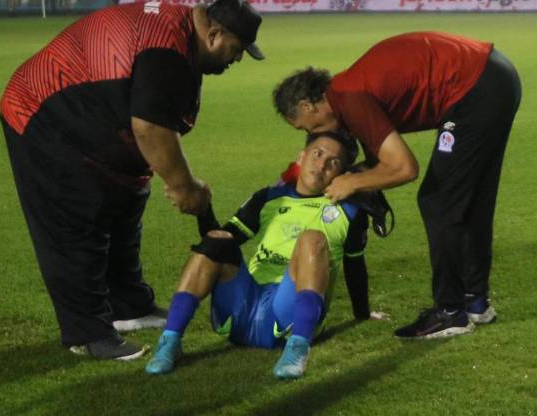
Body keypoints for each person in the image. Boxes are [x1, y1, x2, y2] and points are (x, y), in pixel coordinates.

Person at [0, 0, 265, 360]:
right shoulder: (166, 51)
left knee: (125, 201)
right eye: (236, 49)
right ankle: (88, 332)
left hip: (93, 119)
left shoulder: (179, 36)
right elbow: (151, 127)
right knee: (77, 216)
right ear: (215, 33)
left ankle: (128, 306)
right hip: (44, 115)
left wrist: (181, 181)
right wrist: (183, 187)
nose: (237, 59)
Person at [272, 32, 522, 340]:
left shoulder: (349, 96)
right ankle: (475, 301)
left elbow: (404, 167)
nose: (310, 134)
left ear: (307, 106)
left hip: (473, 88)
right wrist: (357, 178)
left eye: (303, 126)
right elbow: (379, 162)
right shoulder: (349, 89)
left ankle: (450, 312)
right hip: (495, 77)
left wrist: (352, 182)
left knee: (438, 200)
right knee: (473, 199)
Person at [146, 131, 377, 380]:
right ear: (301, 157)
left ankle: (298, 348)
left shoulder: (350, 212)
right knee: (218, 239)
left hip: (288, 316)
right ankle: (170, 342)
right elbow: (218, 245)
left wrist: (362, 313)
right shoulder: (268, 198)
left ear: (341, 174)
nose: (321, 165)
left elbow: (355, 265)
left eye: (333, 162)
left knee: (312, 238)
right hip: (241, 309)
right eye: (317, 154)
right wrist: (204, 209)